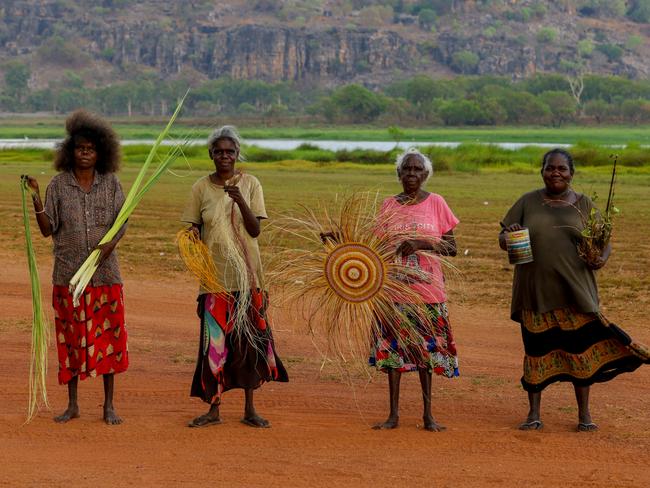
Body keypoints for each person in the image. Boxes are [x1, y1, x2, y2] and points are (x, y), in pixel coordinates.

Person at [499, 148, 649, 432]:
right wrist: (508, 237)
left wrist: (601, 259)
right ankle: (533, 414)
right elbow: (503, 237)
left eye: (561, 169)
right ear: (542, 171)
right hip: (535, 292)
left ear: (571, 174)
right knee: (535, 351)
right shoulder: (527, 201)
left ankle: (584, 415)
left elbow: (604, 239)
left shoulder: (584, 204)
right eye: (550, 168)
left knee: (580, 353)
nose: (555, 173)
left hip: (575, 292)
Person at [23, 110, 128, 425]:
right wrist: (36, 198)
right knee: (70, 340)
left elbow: (121, 221)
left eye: (91, 149)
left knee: (109, 340)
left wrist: (108, 247)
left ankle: (109, 406)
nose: (85, 154)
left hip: (105, 276)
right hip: (68, 277)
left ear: (100, 153)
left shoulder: (111, 184)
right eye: (80, 148)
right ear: (70, 151)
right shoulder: (58, 185)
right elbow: (47, 229)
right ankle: (72, 405)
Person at [181, 126, 288, 428]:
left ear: (237, 154)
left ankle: (250, 409)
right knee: (214, 346)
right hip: (215, 279)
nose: (224, 156)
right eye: (219, 151)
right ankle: (213, 409)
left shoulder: (251, 184)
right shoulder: (200, 188)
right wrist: (191, 236)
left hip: (248, 279)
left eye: (230, 151)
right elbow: (194, 228)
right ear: (211, 155)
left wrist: (240, 200)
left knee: (250, 342)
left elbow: (255, 230)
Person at [370, 148, 459, 432]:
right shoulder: (388, 205)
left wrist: (421, 244)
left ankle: (428, 415)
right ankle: (393, 415)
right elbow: (376, 247)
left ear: (425, 175)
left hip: (429, 294)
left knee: (427, 355)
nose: (411, 174)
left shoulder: (437, 203)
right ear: (399, 174)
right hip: (395, 294)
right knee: (394, 355)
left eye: (417, 170)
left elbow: (451, 247)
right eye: (406, 169)